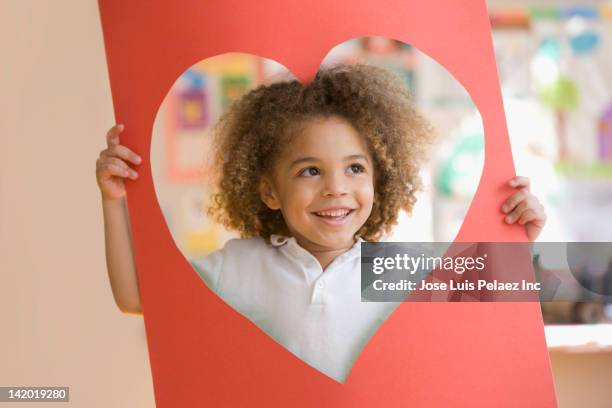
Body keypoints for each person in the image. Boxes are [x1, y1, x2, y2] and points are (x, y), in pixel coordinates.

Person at [95, 63, 546, 383]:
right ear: (269, 190)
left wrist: (519, 237)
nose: (336, 188)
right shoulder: (239, 266)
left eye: (355, 168)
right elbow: (135, 294)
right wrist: (113, 200)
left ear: (379, 178)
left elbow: (499, 302)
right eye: (310, 171)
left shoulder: (399, 271)